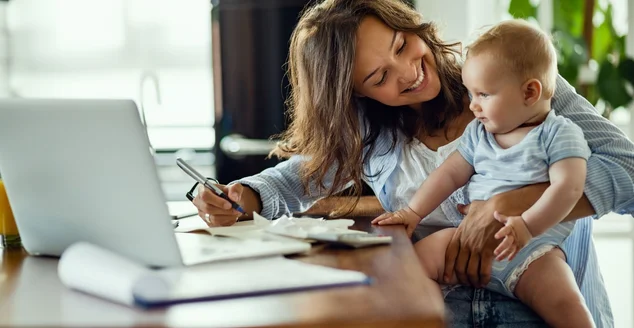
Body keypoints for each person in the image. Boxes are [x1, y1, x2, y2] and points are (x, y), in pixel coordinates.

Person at [192, 0, 634, 326]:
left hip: (544, 306)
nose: (408, 72)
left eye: (403, 46)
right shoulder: (372, 131)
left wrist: (514, 203)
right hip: (441, 311)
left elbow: (629, 172)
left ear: (410, 25)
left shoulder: (511, 80)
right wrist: (242, 195)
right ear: (357, 94)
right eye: (379, 76)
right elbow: (296, 177)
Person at [372, 20, 594, 327]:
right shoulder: (479, 133)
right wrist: (412, 211)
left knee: (566, 304)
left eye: (484, 95)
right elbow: (449, 174)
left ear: (530, 92)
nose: (473, 106)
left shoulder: (558, 134)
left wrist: (526, 227)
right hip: (466, 240)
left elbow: (569, 189)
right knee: (410, 267)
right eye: (470, 94)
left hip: (534, 251)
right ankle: (429, 318)